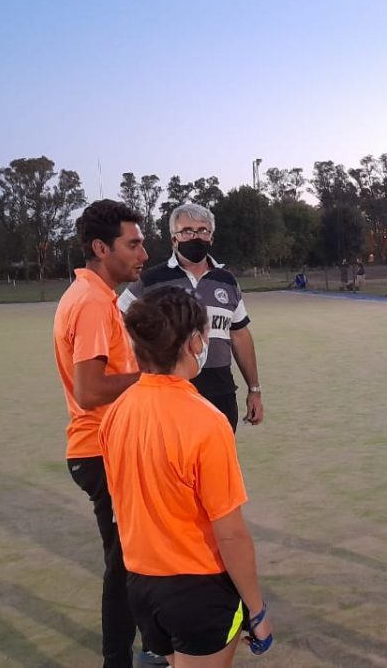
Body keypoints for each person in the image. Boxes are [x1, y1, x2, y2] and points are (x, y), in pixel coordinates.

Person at [100, 287, 273, 668]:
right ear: (194, 341)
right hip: (198, 588)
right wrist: (257, 612)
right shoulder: (206, 420)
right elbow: (230, 532)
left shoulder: (116, 413)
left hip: (141, 583)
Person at [52, 200, 149, 668]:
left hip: (105, 446)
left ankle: (145, 649)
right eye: (132, 244)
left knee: (128, 559)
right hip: (100, 450)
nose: (143, 254)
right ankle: (120, 660)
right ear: (100, 247)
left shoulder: (95, 296)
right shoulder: (90, 303)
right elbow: (90, 391)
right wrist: (154, 377)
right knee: (125, 565)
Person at [118, 203, 263, 432]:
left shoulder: (227, 281)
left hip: (220, 393)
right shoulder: (151, 279)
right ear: (174, 239)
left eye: (203, 230)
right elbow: (118, 320)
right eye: (187, 231)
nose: (195, 236)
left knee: (216, 462)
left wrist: (254, 390)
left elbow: (240, 335)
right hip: (167, 395)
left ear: (212, 237)